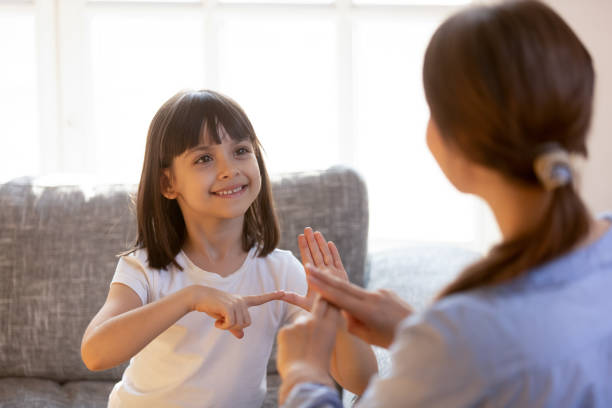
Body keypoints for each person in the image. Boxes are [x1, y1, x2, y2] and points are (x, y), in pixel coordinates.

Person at [276, 0, 612, 406]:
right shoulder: (460, 342)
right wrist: (415, 333)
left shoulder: (461, 338)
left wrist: (302, 375)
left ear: (458, 145)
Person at [80, 89, 377, 407]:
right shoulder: (145, 267)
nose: (229, 169)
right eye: (204, 158)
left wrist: (338, 311)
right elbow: (95, 353)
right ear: (168, 183)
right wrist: (191, 298)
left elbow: (364, 381)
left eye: (241, 151)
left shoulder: (280, 270)